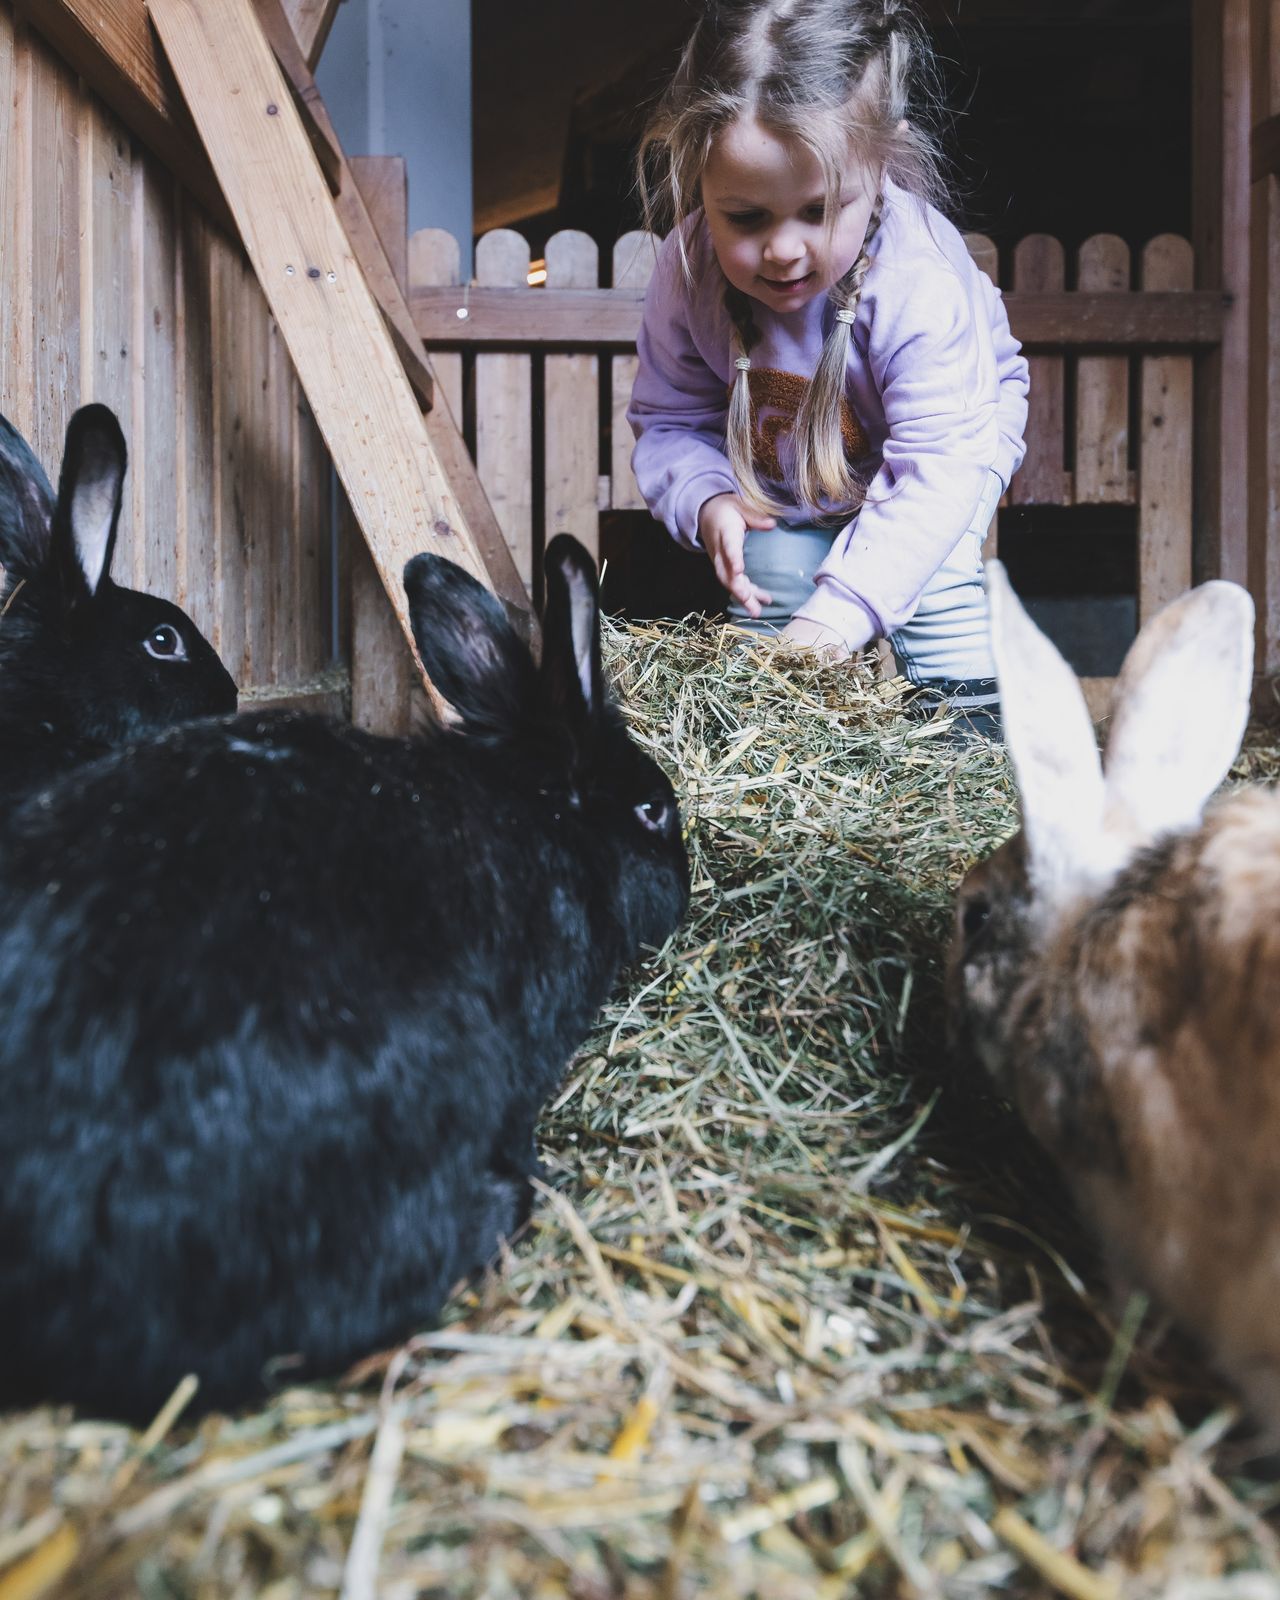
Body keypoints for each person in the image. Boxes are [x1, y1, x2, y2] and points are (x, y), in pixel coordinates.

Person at [628, 0, 1029, 737]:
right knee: (772, 579)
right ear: (695, 174)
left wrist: (840, 617)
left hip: (947, 447)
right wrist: (707, 499)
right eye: (746, 218)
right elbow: (669, 419)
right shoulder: (687, 271)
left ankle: (969, 757)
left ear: (881, 165)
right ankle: (766, 759)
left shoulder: (919, 278)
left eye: (818, 211)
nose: (784, 250)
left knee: (934, 579)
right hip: (793, 469)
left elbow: (939, 467)